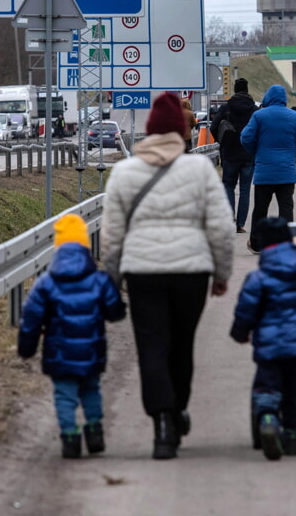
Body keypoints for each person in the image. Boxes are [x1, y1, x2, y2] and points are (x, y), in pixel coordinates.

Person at [101, 92, 234, 460]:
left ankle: (162, 420)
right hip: (191, 273)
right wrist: (222, 272)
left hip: (143, 273)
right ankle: (177, 410)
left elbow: (112, 233)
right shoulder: (200, 170)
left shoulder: (125, 173)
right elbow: (221, 227)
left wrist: (110, 279)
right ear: (181, 131)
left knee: (152, 344)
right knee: (181, 344)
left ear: (149, 132)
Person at [17, 214, 126, 459]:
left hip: (59, 355)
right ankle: (95, 430)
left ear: (57, 248)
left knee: (64, 396)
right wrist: (117, 310)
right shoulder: (99, 280)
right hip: (91, 352)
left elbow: (31, 320)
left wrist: (27, 349)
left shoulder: (46, 284)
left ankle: (69, 437)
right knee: (91, 390)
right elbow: (115, 311)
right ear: (85, 246)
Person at [230, 217, 296, 461]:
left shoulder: (258, 279)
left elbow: (245, 310)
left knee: (267, 385)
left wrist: (240, 332)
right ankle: (291, 434)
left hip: (269, 347)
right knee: (294, 392)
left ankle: (267, 418)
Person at [241, 85, 296, 253]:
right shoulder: (295, 117)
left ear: (268, 97)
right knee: (286, 209)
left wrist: (256, 152)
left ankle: (257, 243)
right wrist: (293, 151)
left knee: (260, 209)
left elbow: (246, 137)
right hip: (286, 172)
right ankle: (286, 243)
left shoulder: (259, 116)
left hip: (264, 172)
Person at [211, 78, 257, 233]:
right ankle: (240, 224)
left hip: (229, 154)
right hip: (248, 155)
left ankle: (230, 220)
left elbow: (213, 127)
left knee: (228, 186)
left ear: (235, 89)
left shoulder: (226, 108)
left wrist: (222, 141)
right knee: (245, 190)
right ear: (247, 90)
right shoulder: (254, 110)